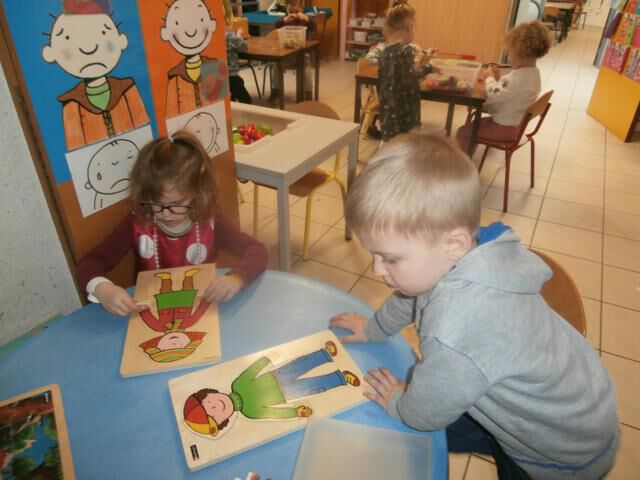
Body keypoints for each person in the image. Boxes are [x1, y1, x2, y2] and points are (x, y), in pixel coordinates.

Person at [330, 133, 619, 480]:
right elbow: (412, 296)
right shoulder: (470, 252)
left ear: (454, 244)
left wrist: (398, 402)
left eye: (390, 258)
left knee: (414, 419)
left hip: (557, 452)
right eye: (375, 255)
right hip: (570, 403)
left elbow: (423, 413)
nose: (377, 269)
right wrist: (373, 328)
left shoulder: (456, 330)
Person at [76, 131, 268, 316]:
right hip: (153, 315)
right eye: (156, 203)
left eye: (177, 203)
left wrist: (237, 278)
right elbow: (89, 264)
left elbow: (257, 250)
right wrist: (102, 288)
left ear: (198, 192)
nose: (166, 214)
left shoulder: (211, 221)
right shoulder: (136, 224)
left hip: (203, 311)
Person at [182, 340, 360, 436]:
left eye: (207, 404)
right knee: (315, 387)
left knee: (301, 363)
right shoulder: (249, 412)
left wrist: (266, 359)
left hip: (278, 375)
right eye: (213, 417)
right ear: (223, 421)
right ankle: (341, 378)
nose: (214, 408)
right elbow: (273, 413)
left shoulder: (237, 384)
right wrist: (295, 412)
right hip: (287, 394)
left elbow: (252, 370)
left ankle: (325, 354)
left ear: (210, 394)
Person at [456, 20, 551, 154]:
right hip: (513, 126)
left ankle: (461, 164)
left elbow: (494, 95)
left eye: (510, 53)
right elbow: (509, 90)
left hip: (503, 128)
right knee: (473, 126)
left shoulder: (519, 77)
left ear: (521, 55)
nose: (509, 58)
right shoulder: (532, 74)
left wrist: (489, 78)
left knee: (463, 132)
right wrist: (498, 79)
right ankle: (468, 157)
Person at [378, 0, 434, 142]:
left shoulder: (384, 53)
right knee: (407, 145)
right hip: (404, 114)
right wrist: (429, 68)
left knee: (390, 144)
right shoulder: (406, 51)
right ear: (410, 26)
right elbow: (411, 77)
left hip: (387, 114)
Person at [268, 0, 315, 104]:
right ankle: (276, 90)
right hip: (287, 55)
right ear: (286, 9)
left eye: (296, 10)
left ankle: (308, 94)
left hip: (301, 54)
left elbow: (313, 26)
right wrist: (285, 20)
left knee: (306, 70)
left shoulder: (304, 20)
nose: (294, 13)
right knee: (277, 66)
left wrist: (306, 18)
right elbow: (276, 25)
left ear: (301, 8)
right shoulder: (285, 20)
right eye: (291, 10)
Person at [226, 27, 252, 104]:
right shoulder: (230, 35)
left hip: (215, 72)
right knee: (246, 101)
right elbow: (243, 47)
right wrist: (238, 35)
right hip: (231, 73)